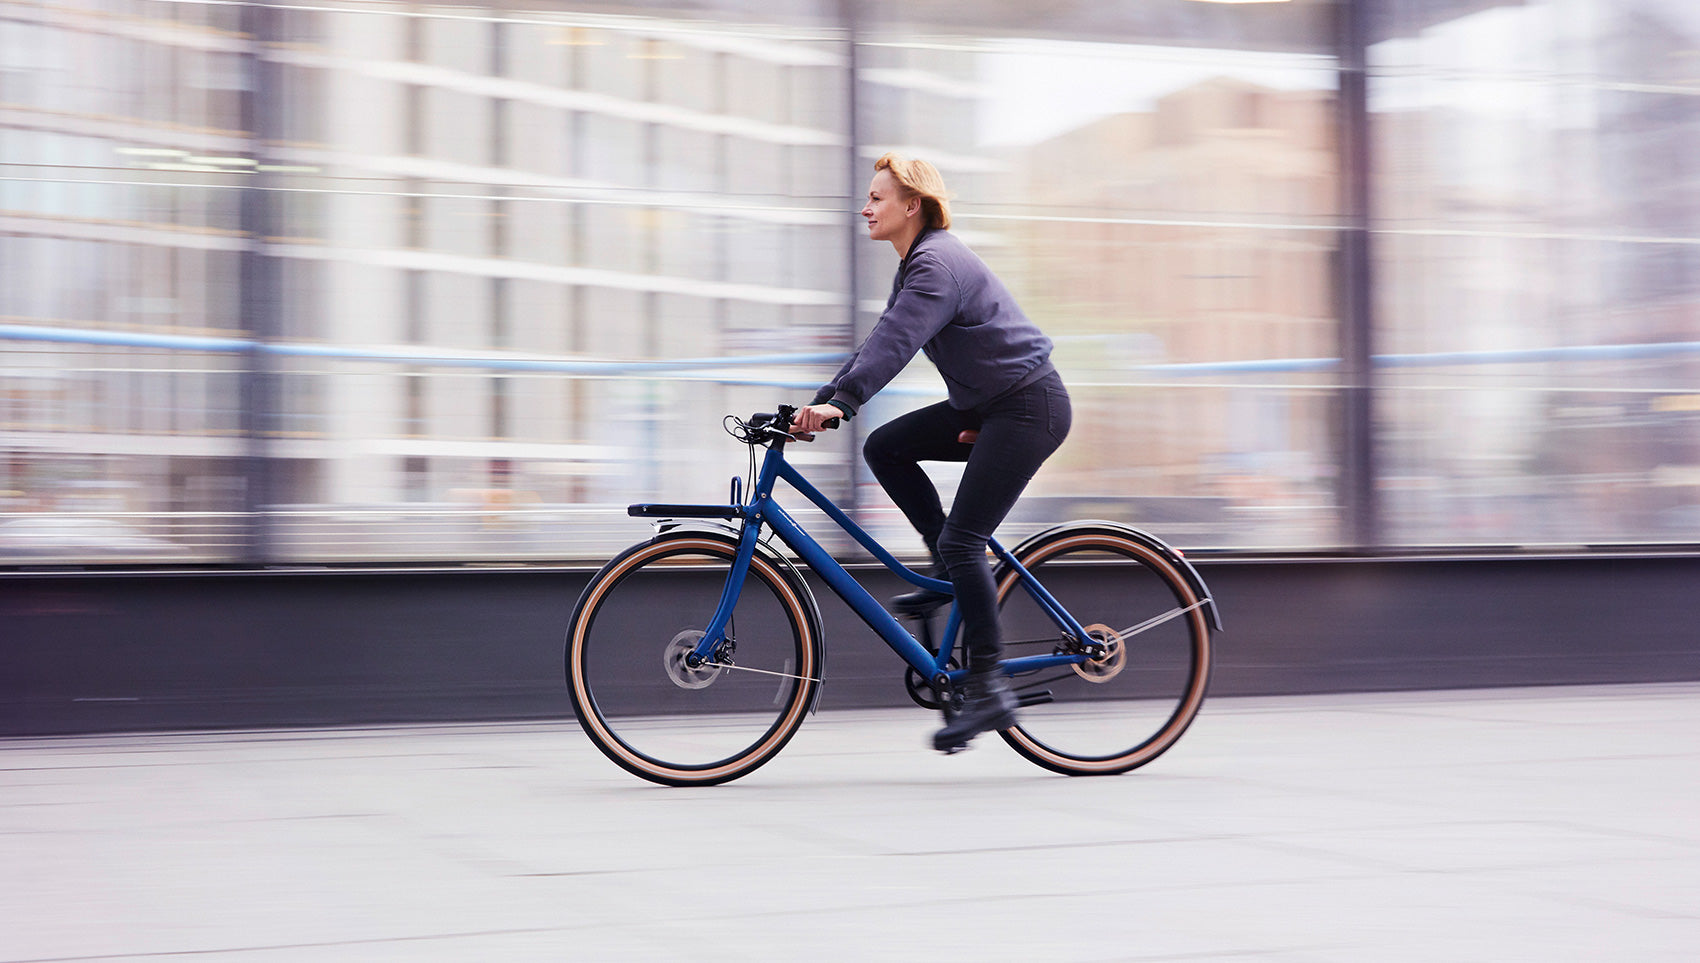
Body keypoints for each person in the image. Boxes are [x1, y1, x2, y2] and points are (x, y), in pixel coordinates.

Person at [790, 153, 1072, 753]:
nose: (865, 208)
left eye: (878, 198)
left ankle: (990, 685)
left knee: (965, 539)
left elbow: (896, 340)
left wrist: (843, 400)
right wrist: (821, 404)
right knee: (886, 447)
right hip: (989, 406)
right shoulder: (918, 266)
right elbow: (878, 341)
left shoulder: (936, 264)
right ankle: (948, 570)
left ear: (912, 205)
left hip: (1027, 408)